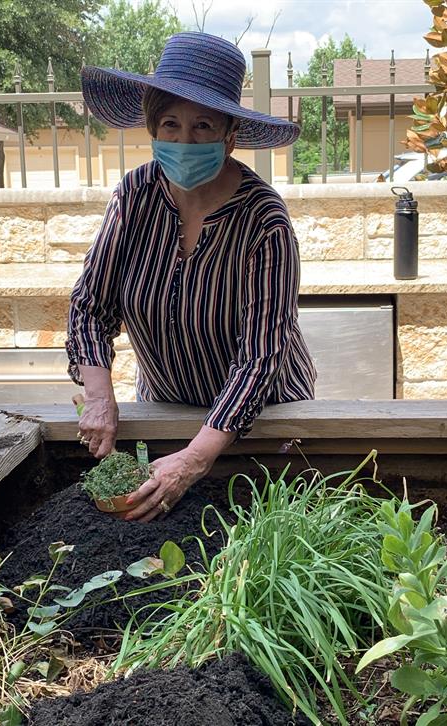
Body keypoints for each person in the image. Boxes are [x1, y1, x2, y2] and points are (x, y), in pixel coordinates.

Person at [67, 31, 316, 523]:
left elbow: (260, 355)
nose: (184, 140)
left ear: (228, 134)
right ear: (152, 128)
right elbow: (90, 308)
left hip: (265, 421)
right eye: (170, 124)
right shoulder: (134, 197)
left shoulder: (264, 221)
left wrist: (192, 460)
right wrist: (99, 400)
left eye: (202, 126)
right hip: (166, 408)